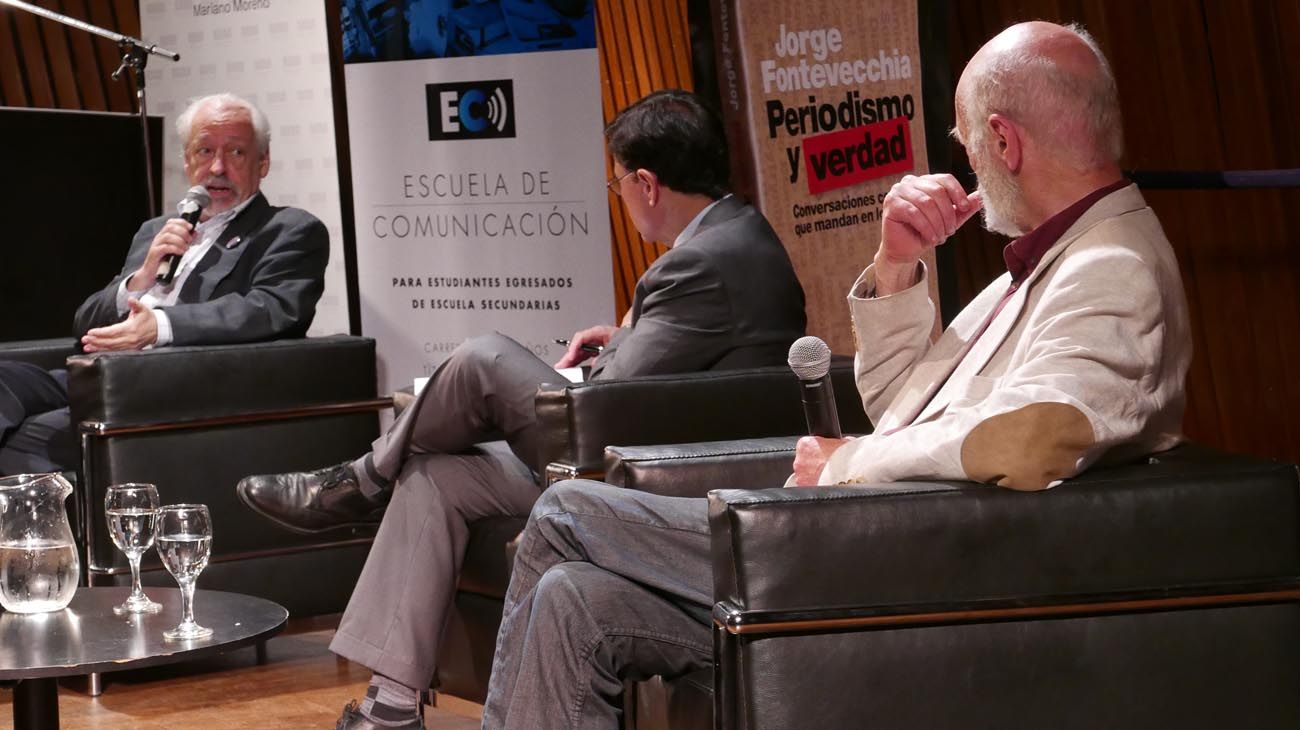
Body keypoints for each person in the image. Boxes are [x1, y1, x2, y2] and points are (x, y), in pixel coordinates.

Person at [480, 21, 1191, 730]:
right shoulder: (1063, 252)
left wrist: (848, 462)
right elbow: (899, 405)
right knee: (574, 597)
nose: (970, 164)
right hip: (872, 538)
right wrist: (896, 266)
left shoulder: (1110, 268)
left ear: (1004, 142)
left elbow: (1031, 434)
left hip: (903, 566)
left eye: (968, 145)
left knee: (567, 511)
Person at [234, 89, 806, 729]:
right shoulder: (736, 237)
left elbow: (610, 402)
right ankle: (390, 709)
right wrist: (625, 338)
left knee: (481, 359)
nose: (616, 195)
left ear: (647, 183)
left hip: (645, 473)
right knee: (436, 477)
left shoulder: (702, 260)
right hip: (651, 445)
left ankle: (359, 480)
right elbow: (694, 365)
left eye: (616, 182)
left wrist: (610, 359)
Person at [0, 93, 328, 476]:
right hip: (99, 375)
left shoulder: (288, 229)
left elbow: (272, 309)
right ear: (187, 161)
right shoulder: (155, 231)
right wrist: (139, 280)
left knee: (36, 437)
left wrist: (159, 327)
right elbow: (84, 324)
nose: (217, 167)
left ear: (263, 162)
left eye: (235, 153)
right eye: (204, 151)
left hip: (176, 385)